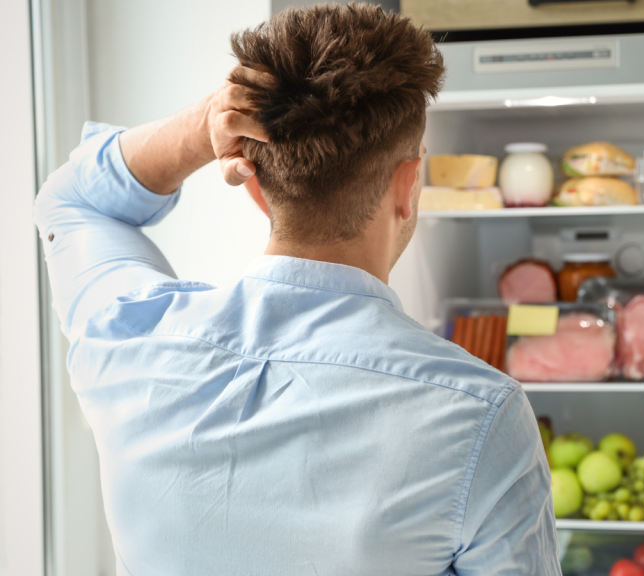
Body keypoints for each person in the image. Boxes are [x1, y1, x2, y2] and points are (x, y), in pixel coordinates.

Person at [34, 4, 560, 575]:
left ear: (254, 187)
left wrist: (206, 124)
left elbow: (71, 199)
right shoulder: (481, 415)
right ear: (408, 186)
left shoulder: (129, 337)